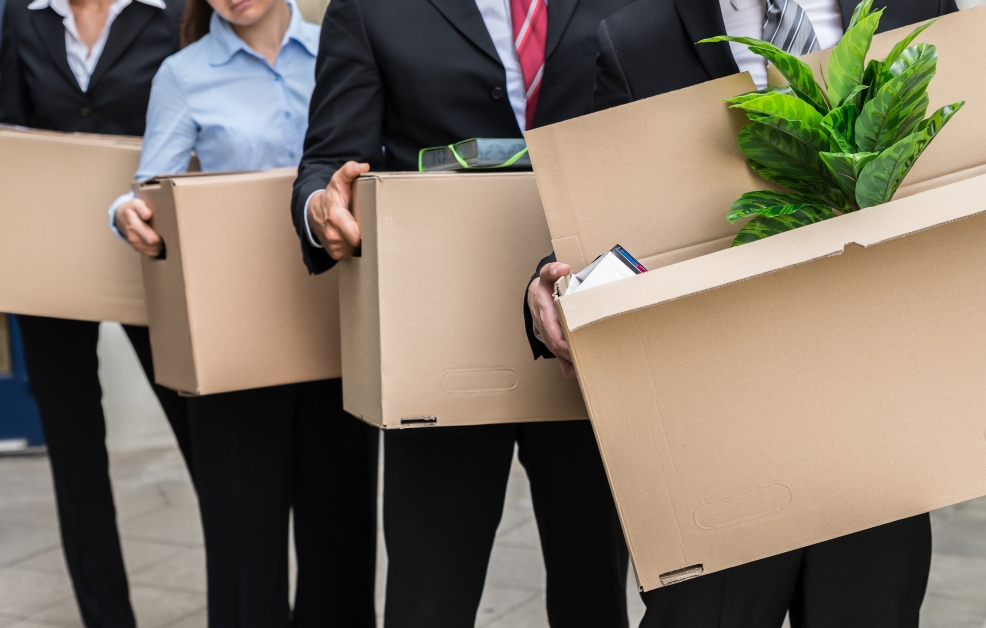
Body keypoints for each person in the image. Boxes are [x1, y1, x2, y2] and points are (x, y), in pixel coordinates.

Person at [523, 0, 986, 626]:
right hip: (718, 438)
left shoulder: (917, 9)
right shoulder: (632, 37)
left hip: (882, 428)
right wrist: (550, 286)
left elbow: (960, 163)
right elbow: (596, 219)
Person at [289, 0, 637, 623]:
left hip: (585, 326)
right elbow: (326, 159)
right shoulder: (368, 11)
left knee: (596, 589)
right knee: (430, 593)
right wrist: (321, 209)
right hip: (440, 339)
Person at [106, 0, 379, 625]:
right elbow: (151, 186)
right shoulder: (182, 73)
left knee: (341, 548)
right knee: (242, 553)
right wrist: (127, 214)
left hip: (337, 327)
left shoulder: (346, 47)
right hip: (233, 342)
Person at [0, 0, 193, 625]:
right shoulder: (23, 15)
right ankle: (106, 617)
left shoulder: (173, 13)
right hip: (51, 265)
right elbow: (11, 130)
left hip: (155, 253)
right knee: (75, 455)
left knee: (203, 433)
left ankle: (245, 595)